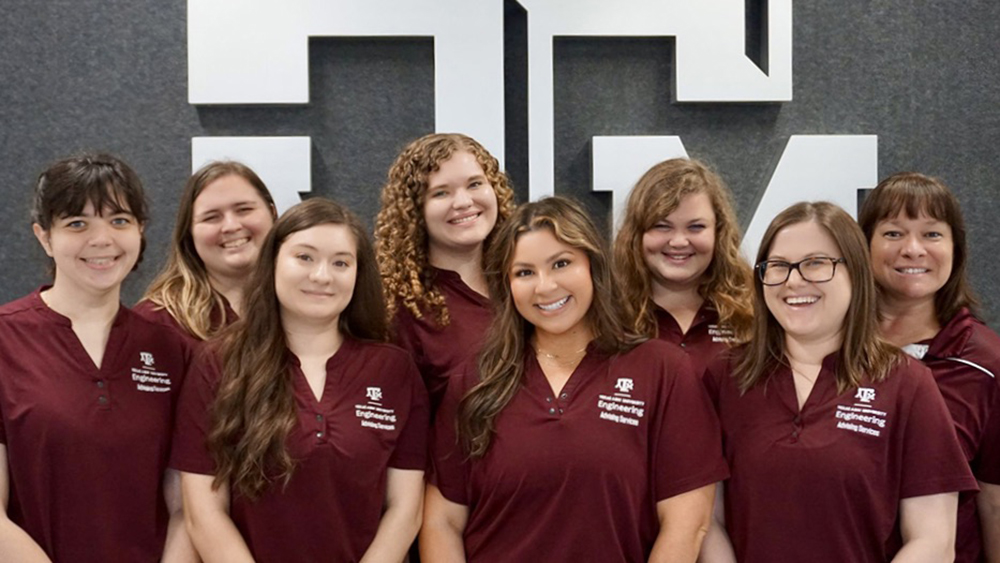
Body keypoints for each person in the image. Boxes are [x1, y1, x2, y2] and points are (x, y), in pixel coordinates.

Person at [422, 197, 728, 562]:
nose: (545, 286)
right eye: (524, 272)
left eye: (561, 264)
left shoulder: (661, 370)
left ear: (592, 266)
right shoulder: (475, 382)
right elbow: (442, 522)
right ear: (506, 286)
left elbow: (686, 522)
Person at [701, 201, 978, 563]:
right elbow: (707, 520)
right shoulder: (724, 377)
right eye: (779, 266)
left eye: (816, 263)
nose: (794, 280)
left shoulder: (907, 384)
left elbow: (933, 541)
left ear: (856, 273)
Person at [171, 198, 428, 562]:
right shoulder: (219, 364)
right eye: (304, 257)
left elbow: (405, 509)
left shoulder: (394, 370)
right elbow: (204, 512)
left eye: (341, 262)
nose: (322, 276)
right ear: (273, 261)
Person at [0, 153, 194, 562]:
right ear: (44, 237)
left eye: (119, 221)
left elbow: (184, 507)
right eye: (77, 223)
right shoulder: (6, 339)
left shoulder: (171, 349)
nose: (102, 239)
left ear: (141, 231)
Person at [859, 172, 1000, 563]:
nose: (913, 249)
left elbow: (995, 504)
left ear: (957, 248)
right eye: (893, 234)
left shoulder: (986, 364)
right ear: (863, 245)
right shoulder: (826, 348)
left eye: (932, 234)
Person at [375, 133, 515, 411]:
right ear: (414, 210)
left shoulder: (526, 279)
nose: (463, 202)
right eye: (441, 192)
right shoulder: (403, 310)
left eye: (474, 184)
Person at [614, 158, 753, 375]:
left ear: (719, 231)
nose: (679, 241)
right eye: (661, 226)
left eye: (696, 227)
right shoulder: (608, 315)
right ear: (636, 234)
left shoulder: (754, 311)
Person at [136, 161, 277, 340]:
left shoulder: (306, 306)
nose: (231, 226)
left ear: (272, 213)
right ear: (189, 232)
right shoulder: (156, 322)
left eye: (244, 210)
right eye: (211, 217)